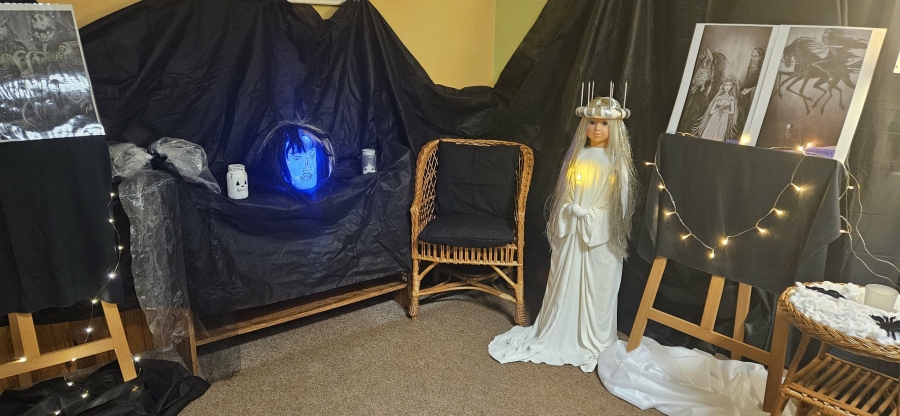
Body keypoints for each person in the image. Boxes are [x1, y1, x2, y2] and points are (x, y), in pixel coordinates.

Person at [488, 96, 637, 372]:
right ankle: (561, 328)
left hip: (598, 236)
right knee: (565, 284)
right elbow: (566, 194)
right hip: (572, 236)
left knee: (598, 290)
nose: (596, 128)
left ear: (614, 127)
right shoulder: (577, 157)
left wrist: (591, 218)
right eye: (592, 122)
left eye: (604, 123)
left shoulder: (618, 165)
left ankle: (593, 337)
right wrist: (570, 212)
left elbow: (618, 207)